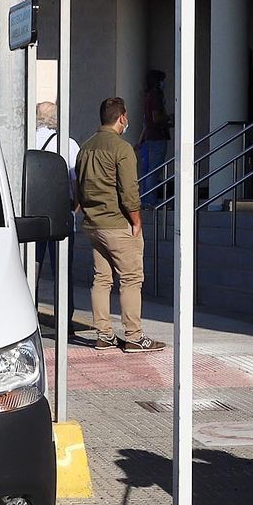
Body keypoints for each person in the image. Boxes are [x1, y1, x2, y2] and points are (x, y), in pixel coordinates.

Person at [75, 97, 164, 353]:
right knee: (131, 278)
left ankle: (104, 334)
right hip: (117, 223)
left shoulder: (86, 147)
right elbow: (129, 191)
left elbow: (78, 185)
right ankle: (134, 336)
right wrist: (137, 221)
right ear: (122, 117)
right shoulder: (122, 148)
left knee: (102, 279)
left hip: (93, 223)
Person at [33, 101, 80, 302]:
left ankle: (29, 314)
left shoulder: (24, 140)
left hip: (31, 213)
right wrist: (76, 207)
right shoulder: (67, 144)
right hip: (61, 212)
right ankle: (64, 319)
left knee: (30, 268)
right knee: (62, 271)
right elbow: (75, 179)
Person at [138, 69, 172, 206]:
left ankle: (145, 198)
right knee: (154, 170)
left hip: (149, 138)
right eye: (162, 80)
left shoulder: (148, 96)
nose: (164, 84)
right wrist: (168, 118)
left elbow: (147, 121)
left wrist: (140, 140)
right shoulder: (156, 95)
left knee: (146, 170)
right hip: (157, 137)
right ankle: (150, 200)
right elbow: (156, 117)